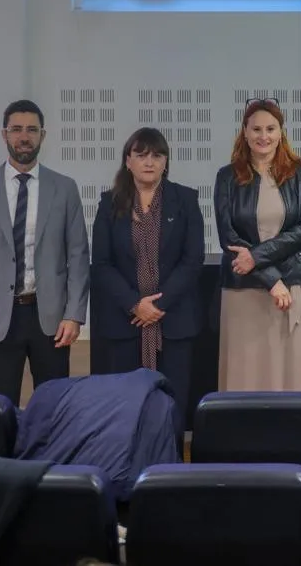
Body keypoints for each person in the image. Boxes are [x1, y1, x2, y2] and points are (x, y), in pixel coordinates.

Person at [0, 100, 90, 406]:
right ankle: (3, 456)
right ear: (4, 135)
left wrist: (74, 314)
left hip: (52, 320)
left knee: (55, 408)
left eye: (31, 129)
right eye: (16, 129)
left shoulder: (65, 189)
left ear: (43, 134)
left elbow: (79, 256)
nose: (23, 136)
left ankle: (51, 455)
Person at [91, 127, 205, 435]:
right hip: (125, 323)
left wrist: (159, 304)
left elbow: (193, 260)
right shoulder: (109, 203)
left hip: (174, 322)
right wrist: (134, 304)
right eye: (141, 155)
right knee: (124, 409)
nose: (149, 162)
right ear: (127, 161)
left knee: (173, 405)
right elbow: (101, 264)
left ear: (166, 162)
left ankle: (171, 472)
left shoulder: (185, 200)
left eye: (157, 155)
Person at [214, 98, 301, 391]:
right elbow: (229, 237)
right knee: (246, 373)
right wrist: (272, 281)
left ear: (281, 132)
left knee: (297, 373)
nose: (264, 136)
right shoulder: (227, 177)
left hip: (296, 284)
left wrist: (258, 258)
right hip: (245, 291)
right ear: (245, 132)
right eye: (257, 129)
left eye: (271, 128)